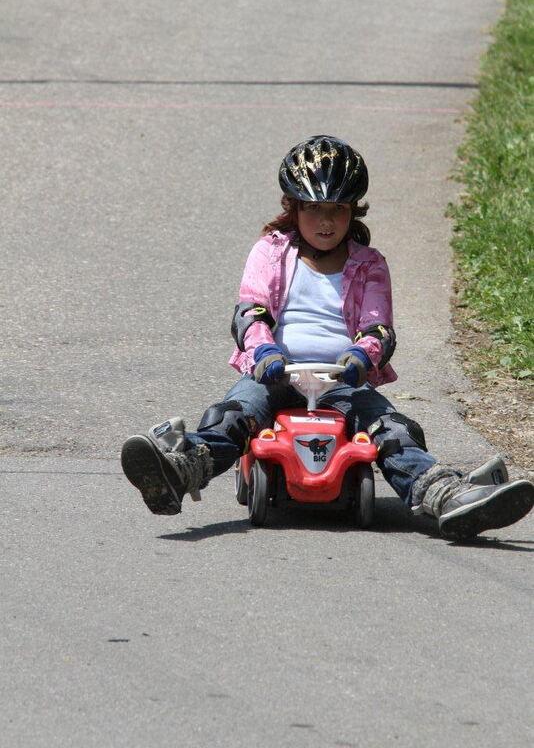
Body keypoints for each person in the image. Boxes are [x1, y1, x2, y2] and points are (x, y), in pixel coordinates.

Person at [121, 135, 534, 540]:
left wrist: (362, 356)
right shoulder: (270, 252)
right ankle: (184, 468)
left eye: (337, 209)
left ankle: (442, 493)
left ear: (353, 211)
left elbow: (378, 328)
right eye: (314, 209)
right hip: (275, 373)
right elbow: (250, 312)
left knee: (393, 429)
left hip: (342, 379)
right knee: (233, 415)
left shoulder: (370, 264)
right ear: (294, 207)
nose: (326, 221)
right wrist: (264, 350)